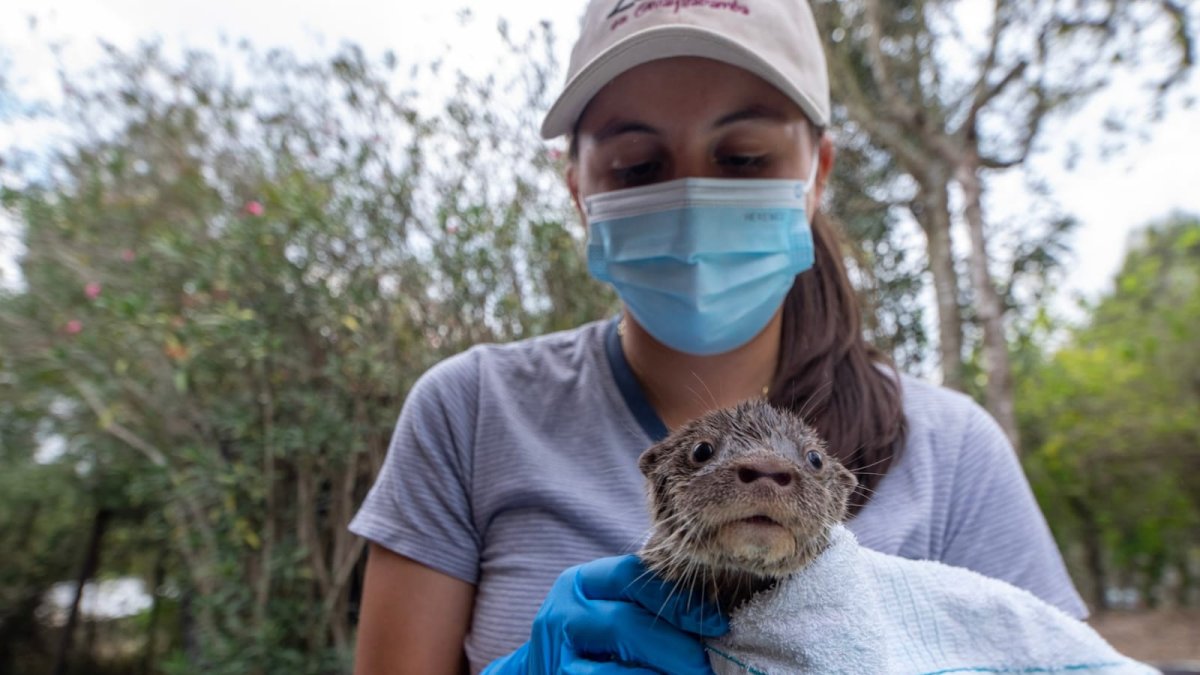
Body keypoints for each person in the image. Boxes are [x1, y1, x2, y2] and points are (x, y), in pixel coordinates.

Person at [349, 1, 1088, 673]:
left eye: (744, 159)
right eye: (638, 165)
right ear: (576, 185)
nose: (694, 194)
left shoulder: (953, 451)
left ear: (817, 173)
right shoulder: (468, 411)